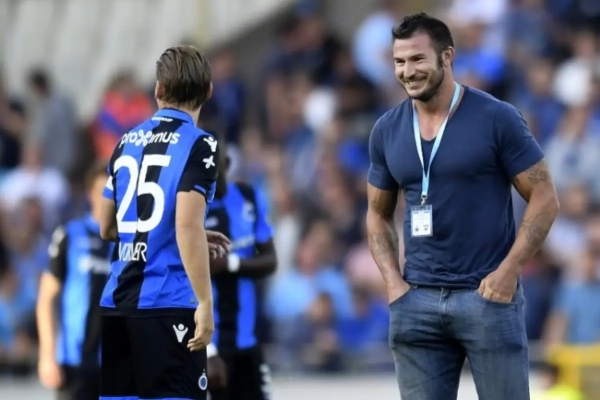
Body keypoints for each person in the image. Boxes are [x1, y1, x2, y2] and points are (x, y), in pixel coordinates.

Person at [366, 13, 559, 400]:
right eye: (399, 62)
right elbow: (377, 213)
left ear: (447, 56)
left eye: (418, 59)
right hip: (416, 300)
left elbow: (545, 198)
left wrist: (509, 272)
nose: (407, 71)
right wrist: (393, 283)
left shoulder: (496, 117)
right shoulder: (387, 129)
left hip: (486, 297)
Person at [98, 45, 230, 400]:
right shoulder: (201, 144)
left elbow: (107, 226)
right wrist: (205, 303)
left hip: (117, 305)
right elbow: (186, 224)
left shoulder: (126, 141)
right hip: (166, 303)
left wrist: (174, 233)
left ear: (158, 89)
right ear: (208, 92)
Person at [205, 133, 278, 400]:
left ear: (225, 162)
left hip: (249, 341)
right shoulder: (191, 211)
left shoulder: (249, 198)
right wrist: (208, 351)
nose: (205, 170)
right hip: (212, 345)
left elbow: (270, 261)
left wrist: (230, 263)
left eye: (211, 162)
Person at [36, 161, 113, 400]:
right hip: (74, 362)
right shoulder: (69, 235)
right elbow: (46, 298)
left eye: (113, 191)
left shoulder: (130, 241)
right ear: (90, 194)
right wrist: (47, 355)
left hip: (118, 362)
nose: (108, 198)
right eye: (102, 190)